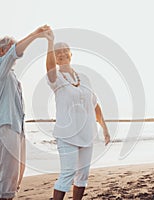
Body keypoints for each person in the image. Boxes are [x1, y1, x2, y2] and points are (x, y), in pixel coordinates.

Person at [44, 29, 111, 200]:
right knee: (67, 174)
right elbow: (50, 68)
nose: (61, 53)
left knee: (82, 176)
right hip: (67, 135)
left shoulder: (84, 78)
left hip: (87, 134)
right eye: (57, 52)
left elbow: (94, 105)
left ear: (71, 55)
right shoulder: (56, 79)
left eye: (64, 50)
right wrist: (50, 43)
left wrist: (104, 127)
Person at [0, 25, 50, 200]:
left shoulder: (11, 75)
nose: (13, 53)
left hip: (17, 129)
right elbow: (15, 52)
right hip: (5, 127)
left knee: (17, 175)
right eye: (10, 48)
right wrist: (35, 35)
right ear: (1, 51)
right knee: (8, 178)